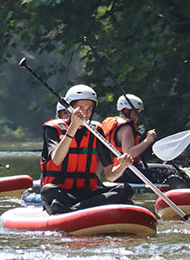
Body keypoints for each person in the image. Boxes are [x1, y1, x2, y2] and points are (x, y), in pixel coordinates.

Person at [39, 84, 135, 215]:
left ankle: (73, 210)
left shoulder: (96, 131)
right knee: (47, 191)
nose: (85, 113)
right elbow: (56, 159)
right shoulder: (52, 129)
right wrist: (73, 127)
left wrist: (123, 166)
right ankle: (83, 208)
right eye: (81, 108)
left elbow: (111, 176)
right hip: (62, 192)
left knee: (126, 189)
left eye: (89, 109)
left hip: (87, 194)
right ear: (70, 108)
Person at [101, 93, 190, 188]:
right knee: (170, 172)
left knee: (168, 167)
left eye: (139, 112)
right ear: (126, 110)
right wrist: (147, 140)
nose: (138, 115)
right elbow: (129, 154)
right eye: (136, 112)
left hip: (119, 171)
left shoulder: (113, 124)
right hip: (128, 171)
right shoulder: (126, 127)